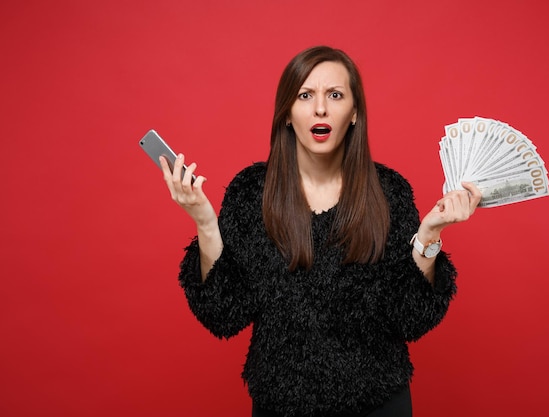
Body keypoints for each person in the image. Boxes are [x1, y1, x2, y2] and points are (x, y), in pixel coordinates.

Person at [158, 46, 481, 417]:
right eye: (305, 95)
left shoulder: (389, 192)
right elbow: (224, 313)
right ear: (287, 114)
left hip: (378, 403)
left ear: (354, 113)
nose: (320, 109)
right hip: (280, 405)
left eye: (335, 95)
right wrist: (204, 221)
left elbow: (410, 318)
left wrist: (428, 237)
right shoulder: (251, 192)